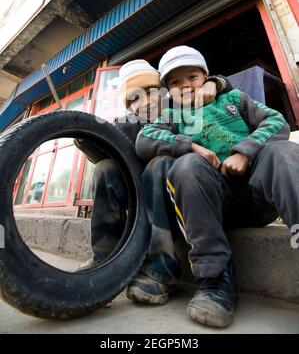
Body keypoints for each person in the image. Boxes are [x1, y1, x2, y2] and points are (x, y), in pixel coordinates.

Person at [135, 45, 299, 328]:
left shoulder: (234, 97)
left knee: (283, 151)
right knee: (185, 166)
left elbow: (276, 121)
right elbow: (144, 140)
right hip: (211, 205)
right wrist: (190, 147)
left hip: (256, 197)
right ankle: (216, 281)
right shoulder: (171, 114)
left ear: (206, 76)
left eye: (192, 77)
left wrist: (245, 151)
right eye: (174, 82)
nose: (185, 85)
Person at [75, 59, 232, 270]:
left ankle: (161, 265)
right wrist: (85, 139)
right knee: (104, 168)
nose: (146, 102)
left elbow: (218, 89)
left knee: (160, 163)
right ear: (129, 105)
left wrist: (215, 82)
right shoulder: (123, 125)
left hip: (176, 193)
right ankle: (104, 257)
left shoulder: (180, 107)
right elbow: (102, 153)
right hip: (139, 194)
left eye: (151, 92)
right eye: (134, 98)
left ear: (165, 91)